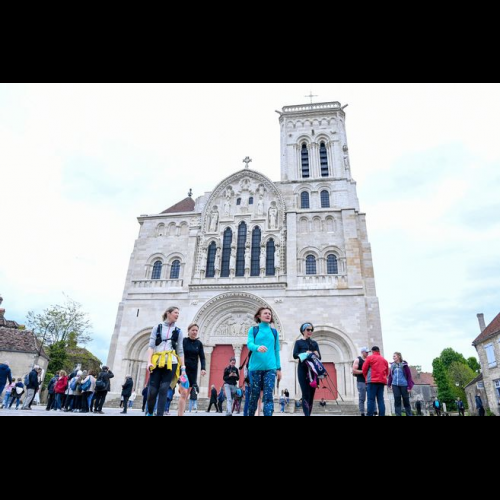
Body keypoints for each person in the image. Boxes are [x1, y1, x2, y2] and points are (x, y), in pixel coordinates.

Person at [146, 306, 185, 417]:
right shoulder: (157, 328)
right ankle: (149, 412)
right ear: (168, 313)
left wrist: (183, 368)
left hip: (171, 362)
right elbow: (151, 346)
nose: (177, 315)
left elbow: (180, 350)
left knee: (164, 389)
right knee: (152, 391)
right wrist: (149, 362)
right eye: (175, 312)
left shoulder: (178, 331)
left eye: (178, 313)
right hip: (157, 361)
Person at [247, 307, 281, 417]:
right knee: (254, 396)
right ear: (259, 316)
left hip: (270, 368)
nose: (268, 315)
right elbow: (249, 344)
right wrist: (257, 347)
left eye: (269, 314)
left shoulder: (274, 332)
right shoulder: (253, 330)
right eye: (265, 313)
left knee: (268, 396)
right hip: (255, 368)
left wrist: (279, 369)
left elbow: (276, 351)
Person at [293, 323, 321, 417]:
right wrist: (305, 353)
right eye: (308, 330)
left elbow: (319, 357)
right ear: (303, 331)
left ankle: (309, 413)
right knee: (306, 393)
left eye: (311, 330)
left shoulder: (314, 343)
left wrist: (315, 353)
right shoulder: (298, 342)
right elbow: (295, 355)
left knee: (312, 394)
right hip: (302, 370)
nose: (310, 332)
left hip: (313, 372)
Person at [179, 323, 206, 417]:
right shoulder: (184, 341)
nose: (194, 332)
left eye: (196, 330)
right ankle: (180, 414)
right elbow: (179, 353)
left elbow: (202, 357)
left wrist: (203, 368)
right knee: (183, 393)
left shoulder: (199, 344)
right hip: (183, 370)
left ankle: (181, 412)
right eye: (193, 330)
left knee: (186, 395)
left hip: (193, 371)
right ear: (188, 331)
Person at [362, 346, 389, 417]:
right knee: (381, 400)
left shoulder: (370, 358)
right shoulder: (384, 360)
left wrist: (366, 377)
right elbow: (387, 372)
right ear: (378, 351)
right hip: (381, 382)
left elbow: (364, 369)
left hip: (372, 381)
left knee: (371, 400)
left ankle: (370, 415)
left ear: (373, 351)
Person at [388, 352, 414, 417]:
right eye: (393, 356)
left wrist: (409, 387)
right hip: (395, 385)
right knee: (397, 401)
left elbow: (409, 376)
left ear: (399, 356)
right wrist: (389, 384)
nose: (393, 357)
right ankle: (398, 414)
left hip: (404, 385)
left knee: (406, 401)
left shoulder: (404, 365)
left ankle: (409, 414)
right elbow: (390, 376)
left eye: (394, 356)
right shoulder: (392, 366)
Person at [352, 347, 370, 416]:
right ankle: (362, 412)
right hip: (361, 381)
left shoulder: (369, 359)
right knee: (362, 398)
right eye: (366, 352)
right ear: (362, 352)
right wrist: (364, 371)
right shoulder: (358, 360)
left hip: (369, 381)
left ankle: (373, 412)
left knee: (371, 397)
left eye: (368, 352)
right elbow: (354, 370)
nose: (367, 353)